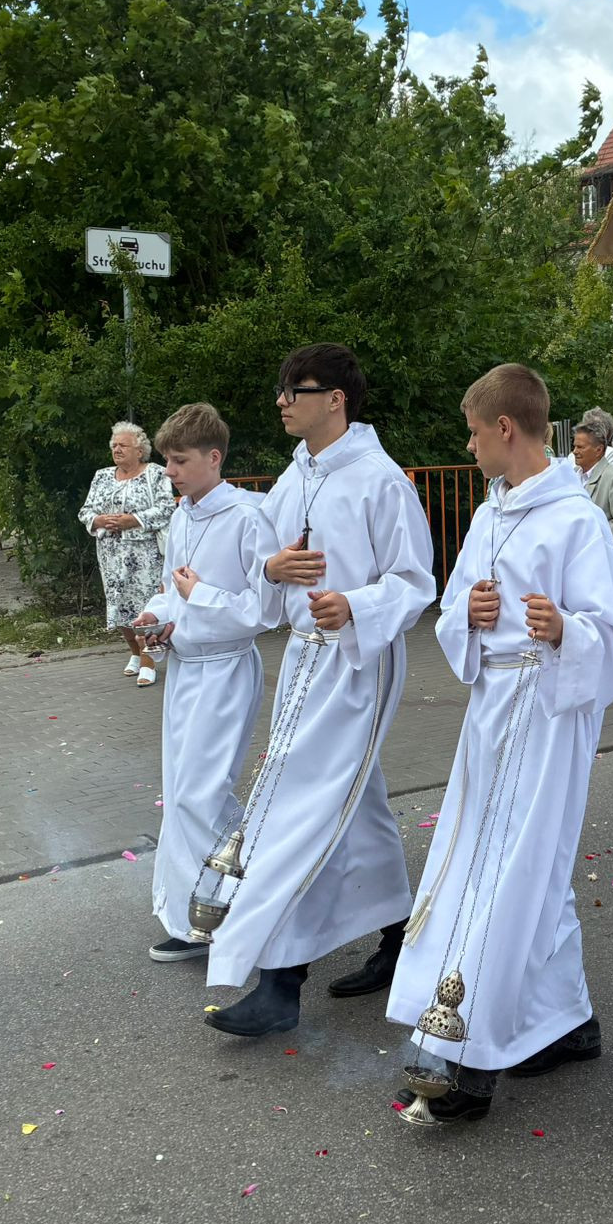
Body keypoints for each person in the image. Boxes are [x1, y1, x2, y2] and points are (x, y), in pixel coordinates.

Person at [390, 364, 613, 1122]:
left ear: (504, 428)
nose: (468, 448)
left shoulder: (575, 519)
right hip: (491, 710)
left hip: (549, 709)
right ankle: (568, 1022)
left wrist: (564, 629)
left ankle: (467, 1054)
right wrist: (468, 611)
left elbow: (610, 634)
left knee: (512, 869)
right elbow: (451, 607)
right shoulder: (491, 514)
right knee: (515, 865)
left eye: (473, 433)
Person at [204, 343, 435, 1034]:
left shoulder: (379, 479)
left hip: (357, 660)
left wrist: (355, 605)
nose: (281, 401)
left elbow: (414, 579)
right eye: (281, 390)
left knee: (296, 809)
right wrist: (272, 570)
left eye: (294, 390)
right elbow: (266, 566)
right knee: (354, 806)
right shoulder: (295, 474)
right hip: (304, 659)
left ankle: (280, 982)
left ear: (335, 399)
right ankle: (400, 937)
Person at [130, 403, 271, 963]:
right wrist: (157, 616)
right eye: (166, 460)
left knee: (202, 794)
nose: (169, 471)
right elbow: (172, 589)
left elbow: (265, 610)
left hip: (227, 668)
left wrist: (199, 596)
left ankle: (227, 906)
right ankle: (199, 910)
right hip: (187, 670)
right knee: (183, 792)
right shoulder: (182, 515)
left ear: (215, 458)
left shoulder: (249, 516)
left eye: (180, 460)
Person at [79, 421, 176, 686]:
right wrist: (99, 520)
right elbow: (85, 511)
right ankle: (135, 652)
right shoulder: (101, 476)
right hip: (111, 555)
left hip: (145, 556)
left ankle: (148, 662)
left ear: (139, 450)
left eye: (123, 445)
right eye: (114, 445)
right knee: (119, 607)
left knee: (146, 608)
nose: (117, 449)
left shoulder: (156, 473)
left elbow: (166, 509)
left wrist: (132, 520)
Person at [571, 419, 613, 627]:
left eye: (580, 447)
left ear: (599, 450)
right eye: (574, 446)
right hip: (587, 558)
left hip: (612, 558)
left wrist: (593, 536)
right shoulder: (574, 476)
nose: (575, 451)